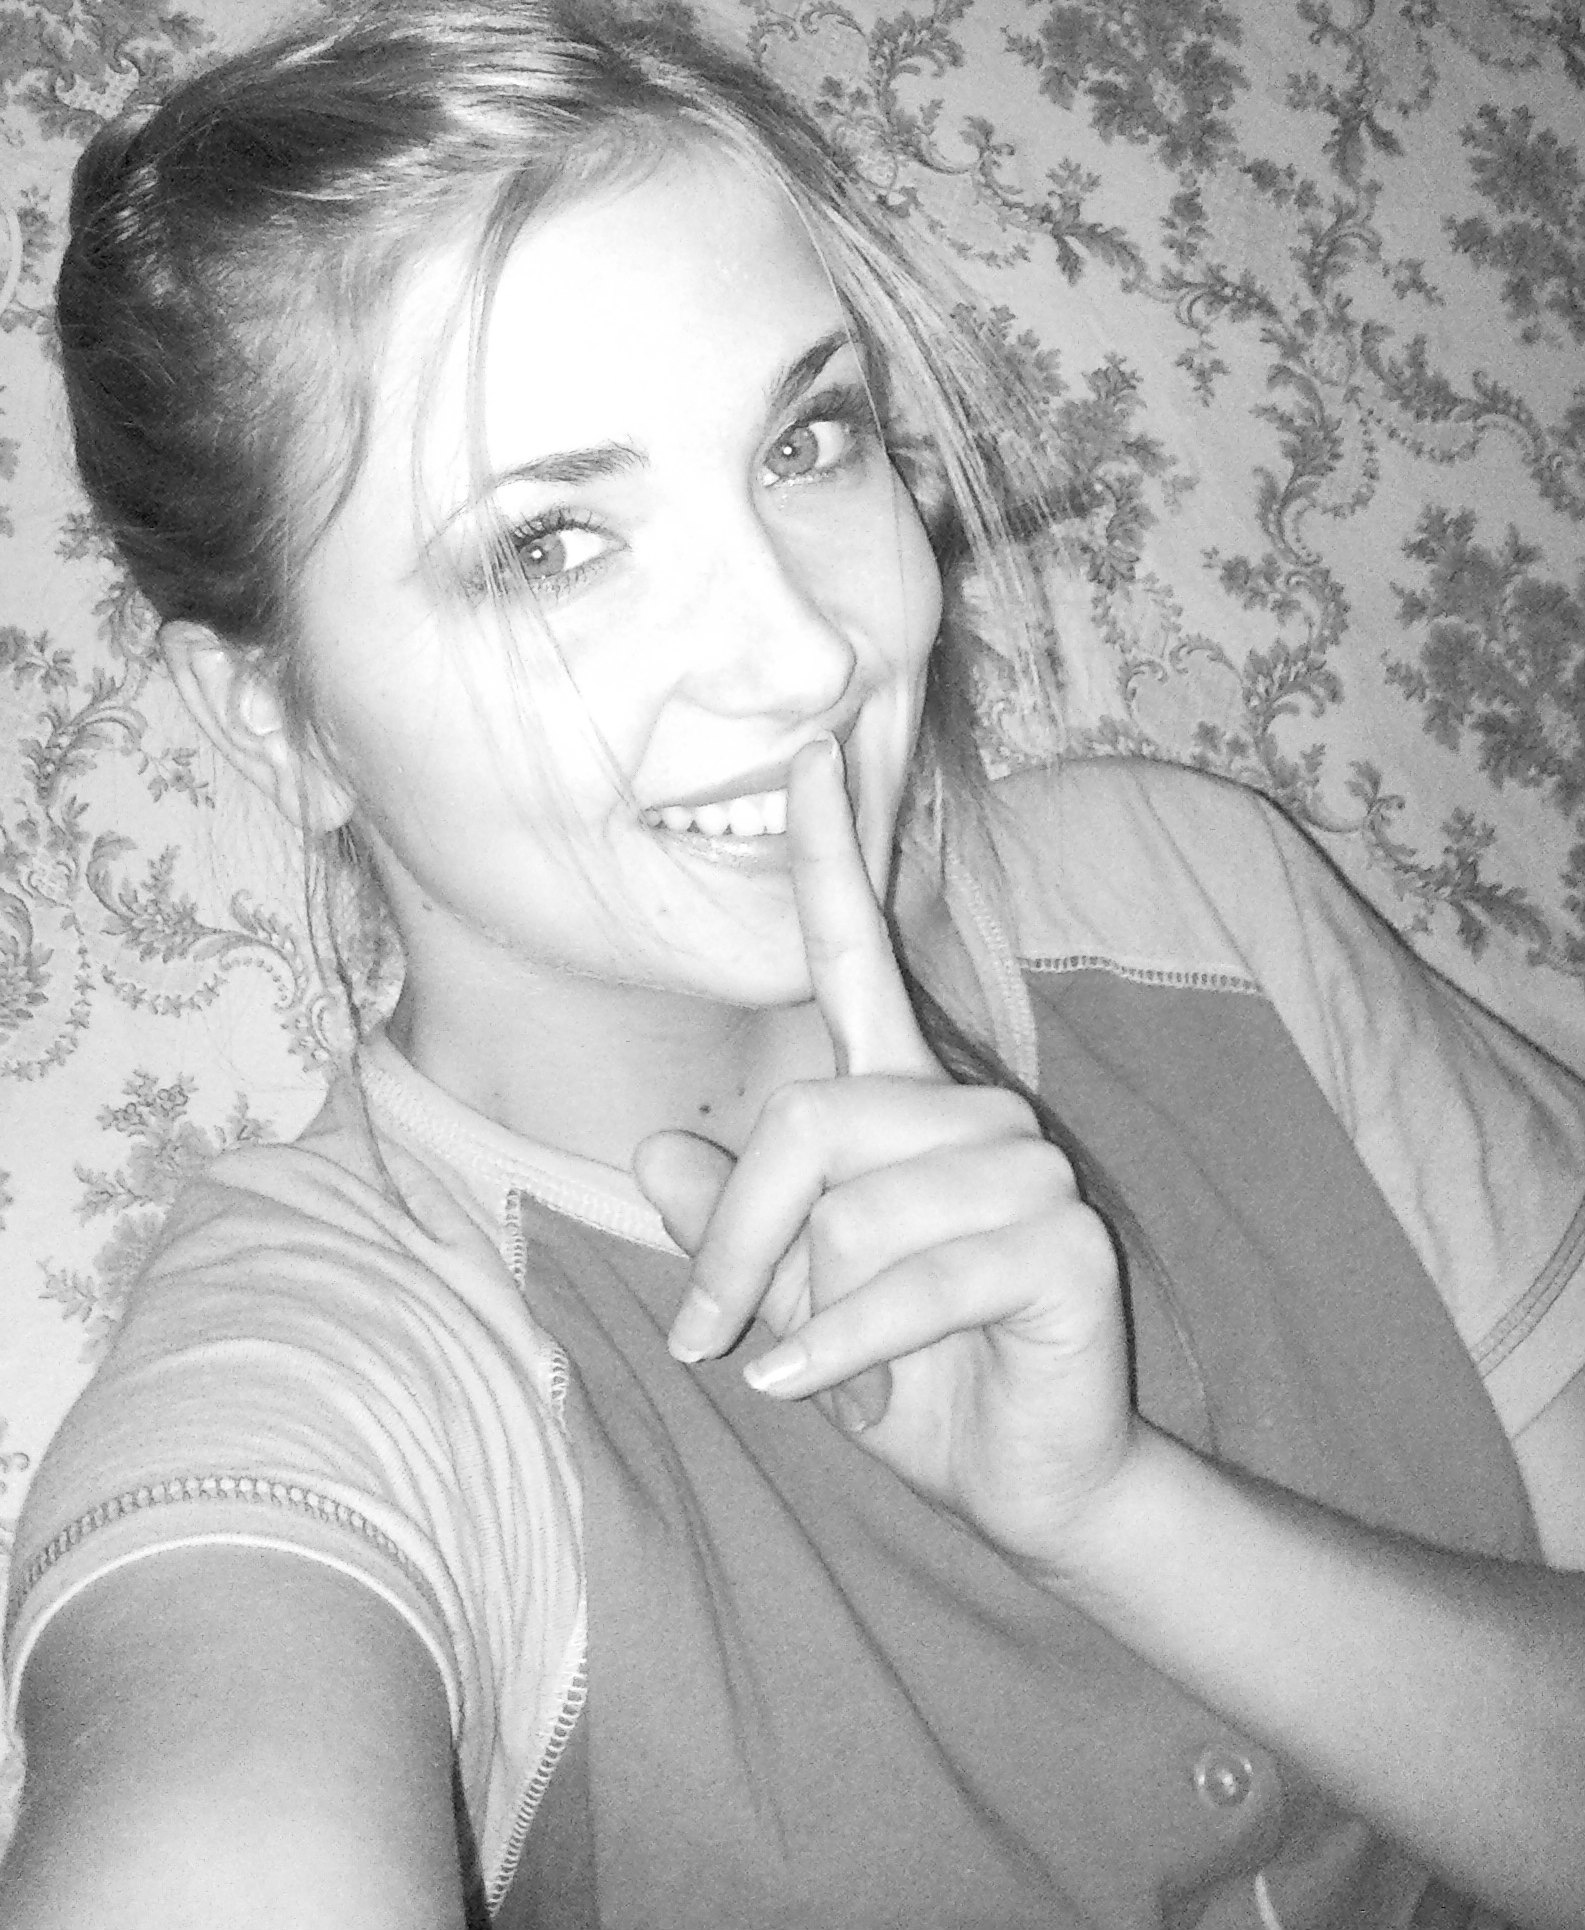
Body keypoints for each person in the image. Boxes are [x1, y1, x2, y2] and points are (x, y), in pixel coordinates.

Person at [2, 2, 1583, 1924]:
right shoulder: (340, 1364)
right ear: (276, 719)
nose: (808, 652)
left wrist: (1119, 1512)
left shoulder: (1191, 897)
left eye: (805, 440)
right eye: (549, 543)